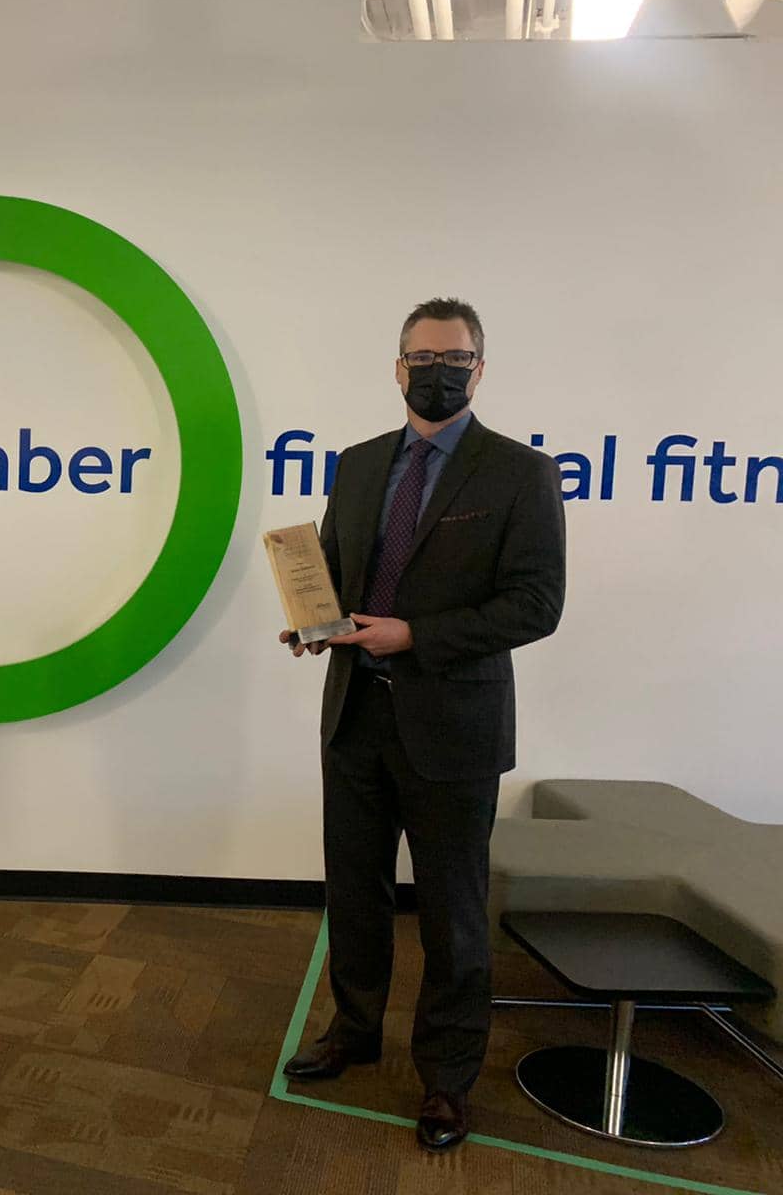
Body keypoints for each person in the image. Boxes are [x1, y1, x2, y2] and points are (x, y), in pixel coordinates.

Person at [279, 298, 565, 1150]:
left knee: (452, 911)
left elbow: (536, 603)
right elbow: (334, 569)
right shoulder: (361, 464)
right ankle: (354, 1031)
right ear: (397, 367)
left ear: (479, 368)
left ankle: (446, 1080)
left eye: (456, 356)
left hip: (455, 729)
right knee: (354, 892)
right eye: (423, 356)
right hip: (356, 714)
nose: (438, 369)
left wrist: (419, 638)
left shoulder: (519, 473)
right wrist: (311, 621)